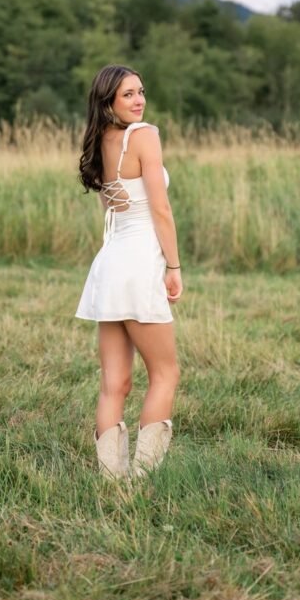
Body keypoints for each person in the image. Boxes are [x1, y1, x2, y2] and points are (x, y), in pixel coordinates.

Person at [75, 64, 182, 481]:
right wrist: (173, 266)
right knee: (165, 373)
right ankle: (142, 480)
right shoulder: (144, 135)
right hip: (138, 263)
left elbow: (110, 206)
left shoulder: (99, 139)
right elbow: (160, 208)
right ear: (109, 102)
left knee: (114, 383)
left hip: (110, 261)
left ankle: (111, 482)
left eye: (141, 92)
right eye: (128, 95)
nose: (139, 101)